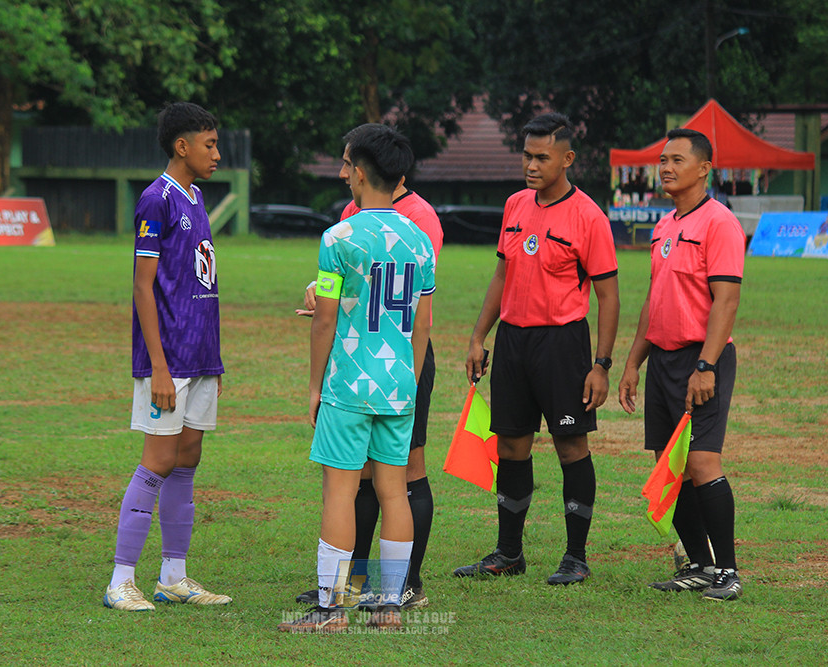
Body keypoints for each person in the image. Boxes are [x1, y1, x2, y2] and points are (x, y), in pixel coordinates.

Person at [277, 124, 436, 633]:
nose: (343, 174)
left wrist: (314, 386)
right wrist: (407, 382)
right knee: (395, 491)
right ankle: (389, 606)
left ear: (362, 172)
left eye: (347, 165)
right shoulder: (420, 239)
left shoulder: (337, 238)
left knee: (340, 492)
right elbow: (423, 324)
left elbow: (325, 319)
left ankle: (329, 611)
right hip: (398, 387)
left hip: (348, 384)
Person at [454, 112, 619, 585]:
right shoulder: (514, 205)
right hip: (513, 341)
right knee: (511, 445)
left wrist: (601, 364)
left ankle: (576, 556)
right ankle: (508, 553)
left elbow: (608, 297)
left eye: (541, 157)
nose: (531, 165)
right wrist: (478, 337)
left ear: (567, 159)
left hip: (563, 343)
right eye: (526, 155)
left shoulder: (589, 216)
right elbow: (502, 274)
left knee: (570, 446)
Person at [103, 102, 232, 611]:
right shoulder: (156, 200)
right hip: (168, 360)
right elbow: (142, 287)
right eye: (209, 144)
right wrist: (158, 365)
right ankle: (120, 582)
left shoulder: (196, 197)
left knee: (187, 461)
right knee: (157, 462)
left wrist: (213, 360)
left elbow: (199, 282)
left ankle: (174, 576)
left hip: (200, 357)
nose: (216, 154)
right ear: (182, 146)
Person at [618, 128, 745, 601]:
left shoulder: (720, 222)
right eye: (662, 160)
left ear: (704, 168)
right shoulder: (664, 225)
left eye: (676, 159)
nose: (665, 167)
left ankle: (728, 572)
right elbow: (654, 302)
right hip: (663, 360)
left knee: (702, 461)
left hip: (702, 358)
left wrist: (707, 365)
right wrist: (632, 363)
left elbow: (726, 301)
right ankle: (697, 564)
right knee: (669, 466)